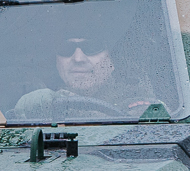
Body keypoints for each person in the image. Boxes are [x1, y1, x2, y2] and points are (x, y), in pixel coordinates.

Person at [12, 30, 159, 121]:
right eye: (66, 48)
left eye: (92, 47)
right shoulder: (35, 98)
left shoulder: (136, 95)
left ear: (112, 59)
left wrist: (62, 105)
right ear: (56, 61)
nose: (78, 58)